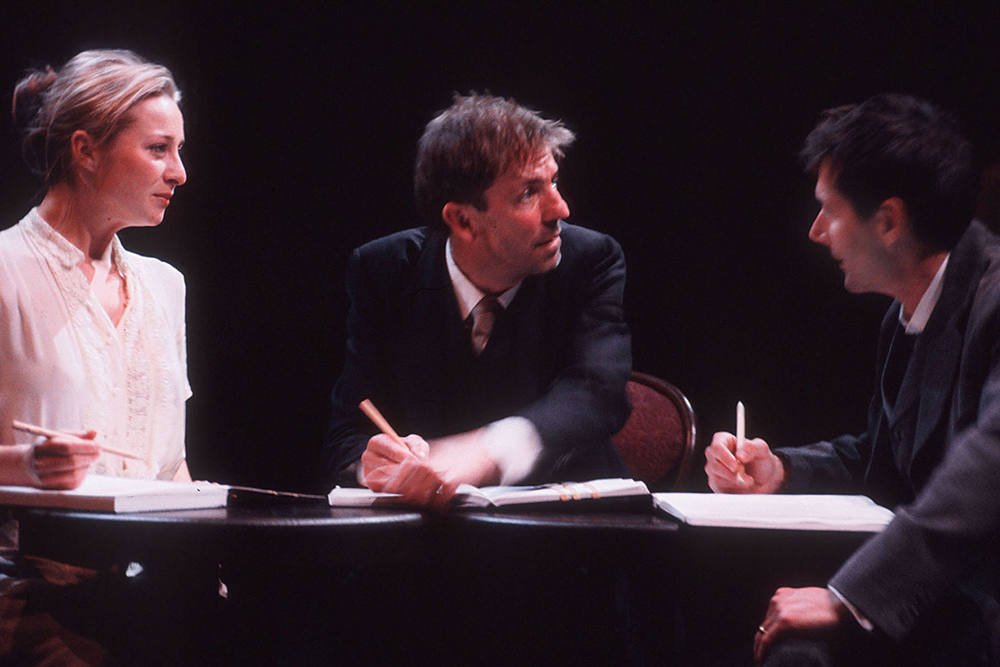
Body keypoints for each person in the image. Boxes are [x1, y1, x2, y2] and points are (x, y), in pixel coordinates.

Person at [704, 93, 999, 667]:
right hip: (945, 599)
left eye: (829, 210)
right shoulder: (909, 309)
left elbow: (987, 469)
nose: (816, 232)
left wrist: (851, 598)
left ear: (888, 220)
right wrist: (779, 470)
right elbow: (883, 459)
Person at [322, 93, 632, 508]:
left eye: (553, 182)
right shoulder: (384, 271)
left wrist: (483, 451)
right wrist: (374, 464)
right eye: (528, 193)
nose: (561, 208)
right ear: (463, 220)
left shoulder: (591, 260)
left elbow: (596, 395)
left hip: (569, 540)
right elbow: (348, 431)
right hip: (432, 546)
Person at [0, 49, 192, 666]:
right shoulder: (5, 273)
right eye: (159, 149)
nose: (179, 172)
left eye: (178, 150)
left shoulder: (166, 286)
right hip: (32, 605)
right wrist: (26, 465)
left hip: (154, 596)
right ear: (86, 151)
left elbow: (170, 463)